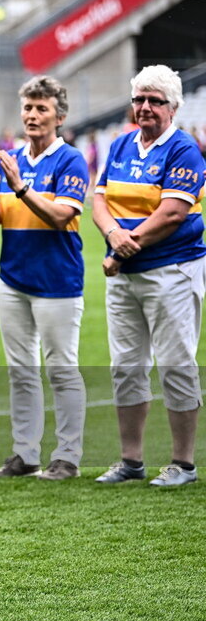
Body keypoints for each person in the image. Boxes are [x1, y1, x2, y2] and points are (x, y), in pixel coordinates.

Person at [0, 76, 88, 481]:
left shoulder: (71, 160)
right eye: (28, 108)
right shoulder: (10, 158)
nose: (32, 115)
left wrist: (20, 187)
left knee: (62, 369)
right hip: (13, 278)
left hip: (57, 280)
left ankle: (66, 456)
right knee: (20, 370)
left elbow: (61, 216)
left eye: (41, 109)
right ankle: (25, 454)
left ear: (60, 116)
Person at [93, 65, 205, 487]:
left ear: (173, 107)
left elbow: (173, 213)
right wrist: (112, 234)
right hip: (123, 272)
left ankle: (183, 464)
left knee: (176, 364)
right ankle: (131, 461)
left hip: (171, 270)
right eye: (139, 99)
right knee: (125, 365)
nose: (144, 107)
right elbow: (99, 199)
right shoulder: (121, 144)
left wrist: (124, 247)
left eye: (154, 101)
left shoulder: (184, 149)